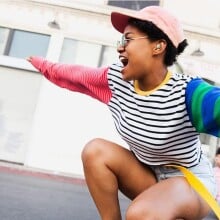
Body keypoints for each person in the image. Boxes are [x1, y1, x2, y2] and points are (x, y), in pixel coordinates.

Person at [27, 6, 220, 220]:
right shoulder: (116, 82)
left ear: (158, 46)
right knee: (96, 151)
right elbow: (75, 75)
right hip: (149, 176)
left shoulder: (188, 92)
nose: (120, 48)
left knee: (139, 214)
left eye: (128, 40)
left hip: (190, 183)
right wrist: (43, 65)